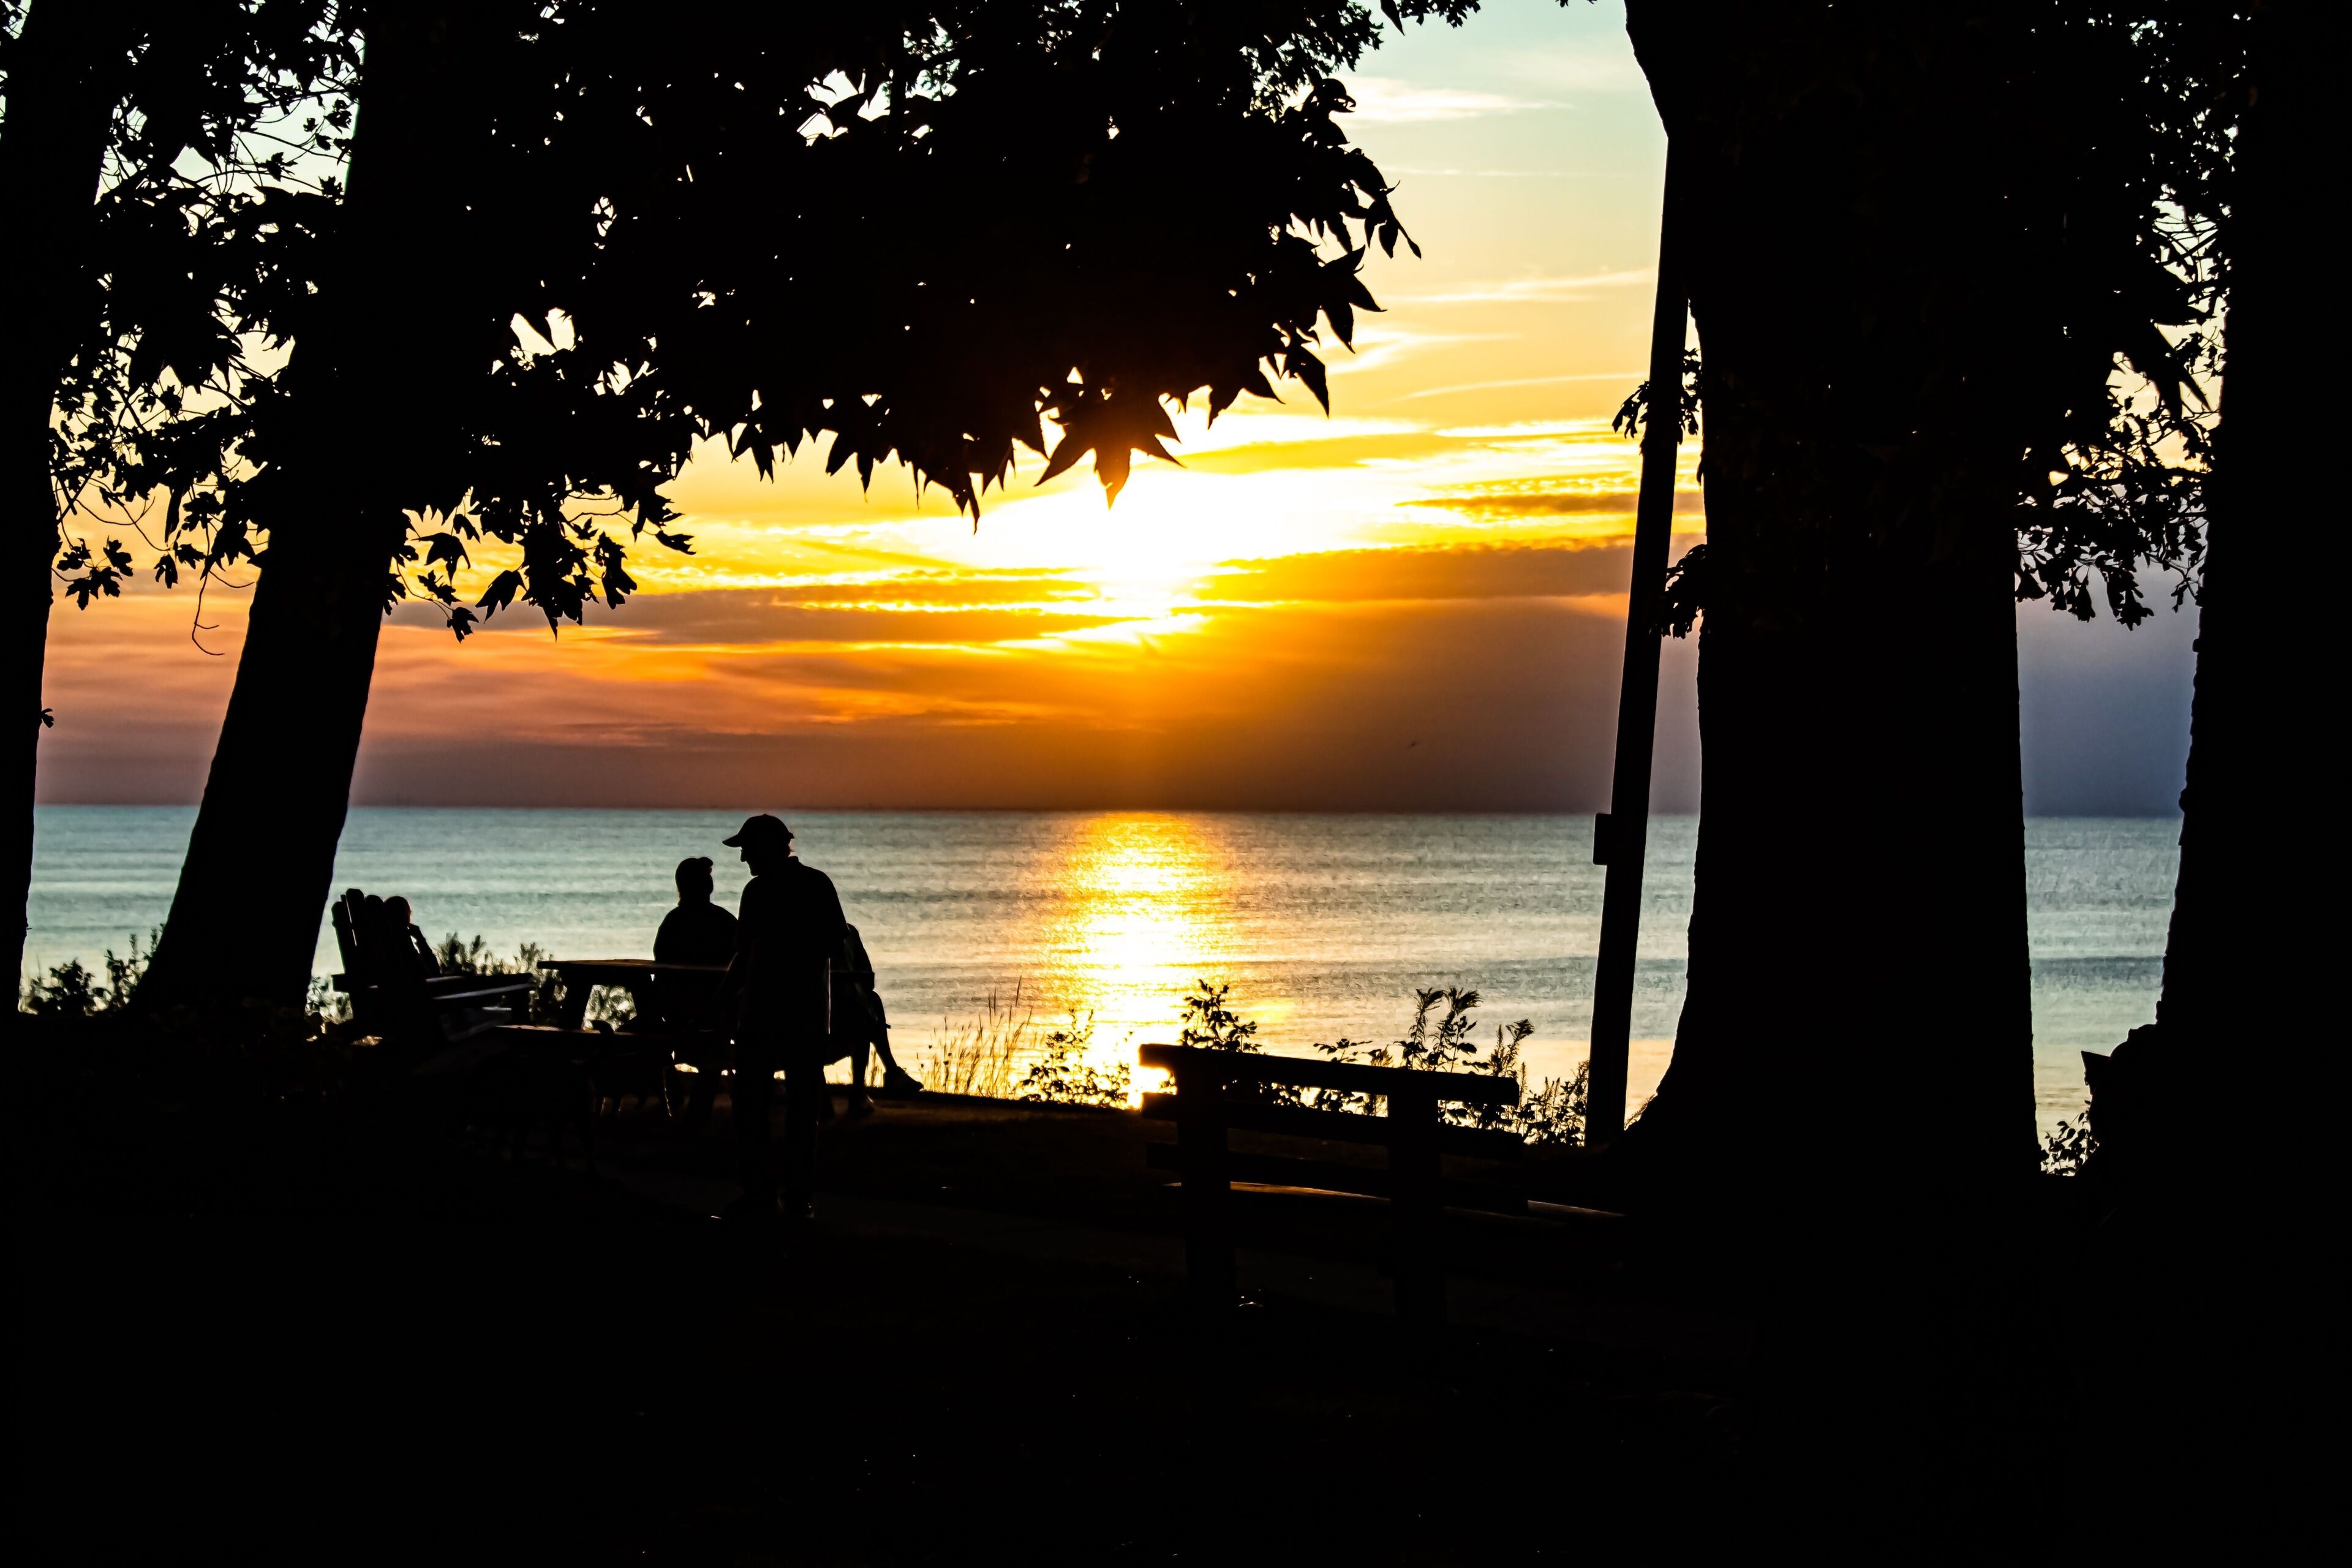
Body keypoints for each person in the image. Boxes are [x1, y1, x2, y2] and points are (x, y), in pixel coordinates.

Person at [716, 813, 844, 1223]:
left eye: (748, 851)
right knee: (796, 1111)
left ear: (769, 847)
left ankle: (769, 1194)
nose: (744, 861)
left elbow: (746, 953)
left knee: (758, 1108)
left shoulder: (762, 892)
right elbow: (831, 943)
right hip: (799, 1017)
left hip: (771, 1017)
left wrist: (723, 998)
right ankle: (791, 1197)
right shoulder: (815, 884)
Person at [833, 923, 924, 1112]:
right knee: (866, 1010)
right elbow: (868, 978)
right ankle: (885, 1076)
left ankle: (889, 1074)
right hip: (836, 1019)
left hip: (820, 1014)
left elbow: (867, 979)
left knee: (867, 1006)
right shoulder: (848, 933)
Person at [654, 856, 737, 966]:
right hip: (718, 982)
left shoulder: (673, 920)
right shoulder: (726, 920)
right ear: (709, 887)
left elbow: (660, 955)